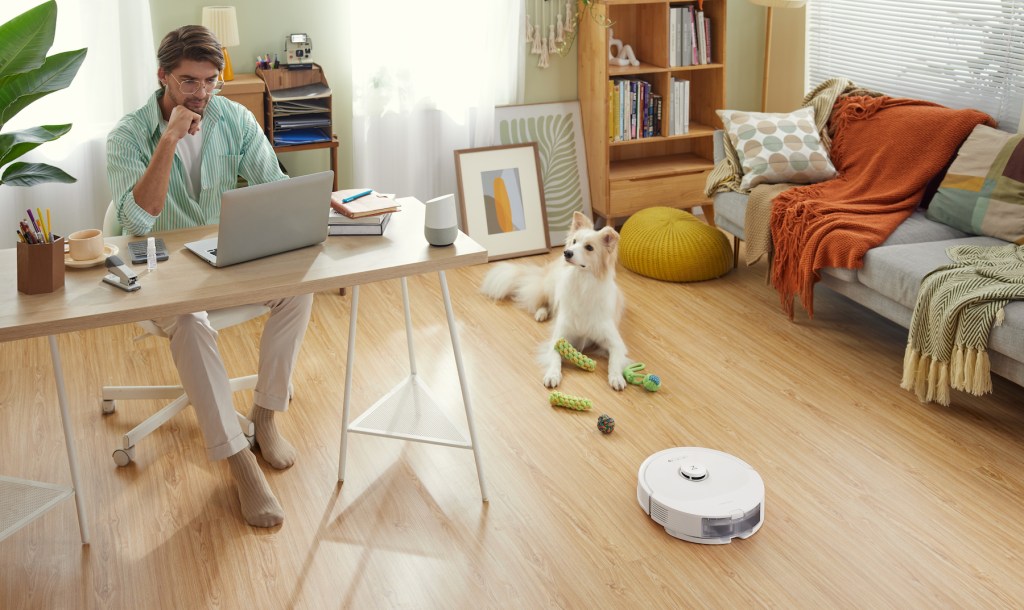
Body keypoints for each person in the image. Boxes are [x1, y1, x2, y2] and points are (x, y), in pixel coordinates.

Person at [106, 25, 311, 528]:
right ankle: (239, 458)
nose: (200, 94)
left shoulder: (234, 118)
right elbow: (136, 222)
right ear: (162, 77)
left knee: (298, 289)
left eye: (210, 81)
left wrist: (305, 203)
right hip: (161, 268)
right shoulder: (127, 136)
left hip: (220, 258)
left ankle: (264, 416)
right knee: (191, 323)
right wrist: (171, 137)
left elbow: (272, 184)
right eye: (188, 81)